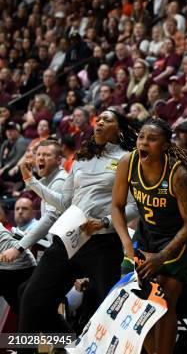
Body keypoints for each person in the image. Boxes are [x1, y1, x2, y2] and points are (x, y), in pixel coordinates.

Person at [17, 109, 140, 333]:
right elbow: (65, 202)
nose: (100, 122)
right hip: (69, 238)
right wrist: (31, 182)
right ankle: (64, 344)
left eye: (107, 120)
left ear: (119, 129)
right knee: (32, 298)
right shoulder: (82, 158)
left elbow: (134, 206)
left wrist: (103, 222)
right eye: (99, 119)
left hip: (103, 242)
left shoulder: (128, 158)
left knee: (109, 308)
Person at [112, 117, 187, 354]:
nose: (143, 142)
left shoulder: (178, 174)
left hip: (177, 241)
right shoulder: (127, 163)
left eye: (152, 139)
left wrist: (161, 257)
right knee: (140, 302)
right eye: (141, 137)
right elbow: (117, 207)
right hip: (147, 235)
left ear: (164, 146)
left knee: (162, 302)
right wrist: (126, 243)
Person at [0, 140, 67, 263]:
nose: (41, 158)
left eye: (46, 155)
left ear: (59, 160)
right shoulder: (48, 179)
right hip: (59, 247)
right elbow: (32, 186)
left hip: (64, 249)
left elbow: (51, 218)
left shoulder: (61, 180)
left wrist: (18, 248)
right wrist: (29, 176)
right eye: (39, 154)